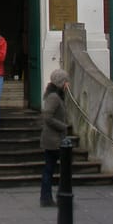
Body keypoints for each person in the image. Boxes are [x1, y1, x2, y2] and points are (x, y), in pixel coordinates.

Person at [40, 68, 70, 207]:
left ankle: (50, 197)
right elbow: (47, 116)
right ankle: (51, 197)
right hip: (53, 140)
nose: (68, 84)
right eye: (66, 81)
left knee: (50, 168)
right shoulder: (54, 97)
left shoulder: (56, 96)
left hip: (55, 139)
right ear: (61, 82)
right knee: (53, 169)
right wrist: (63, 126)